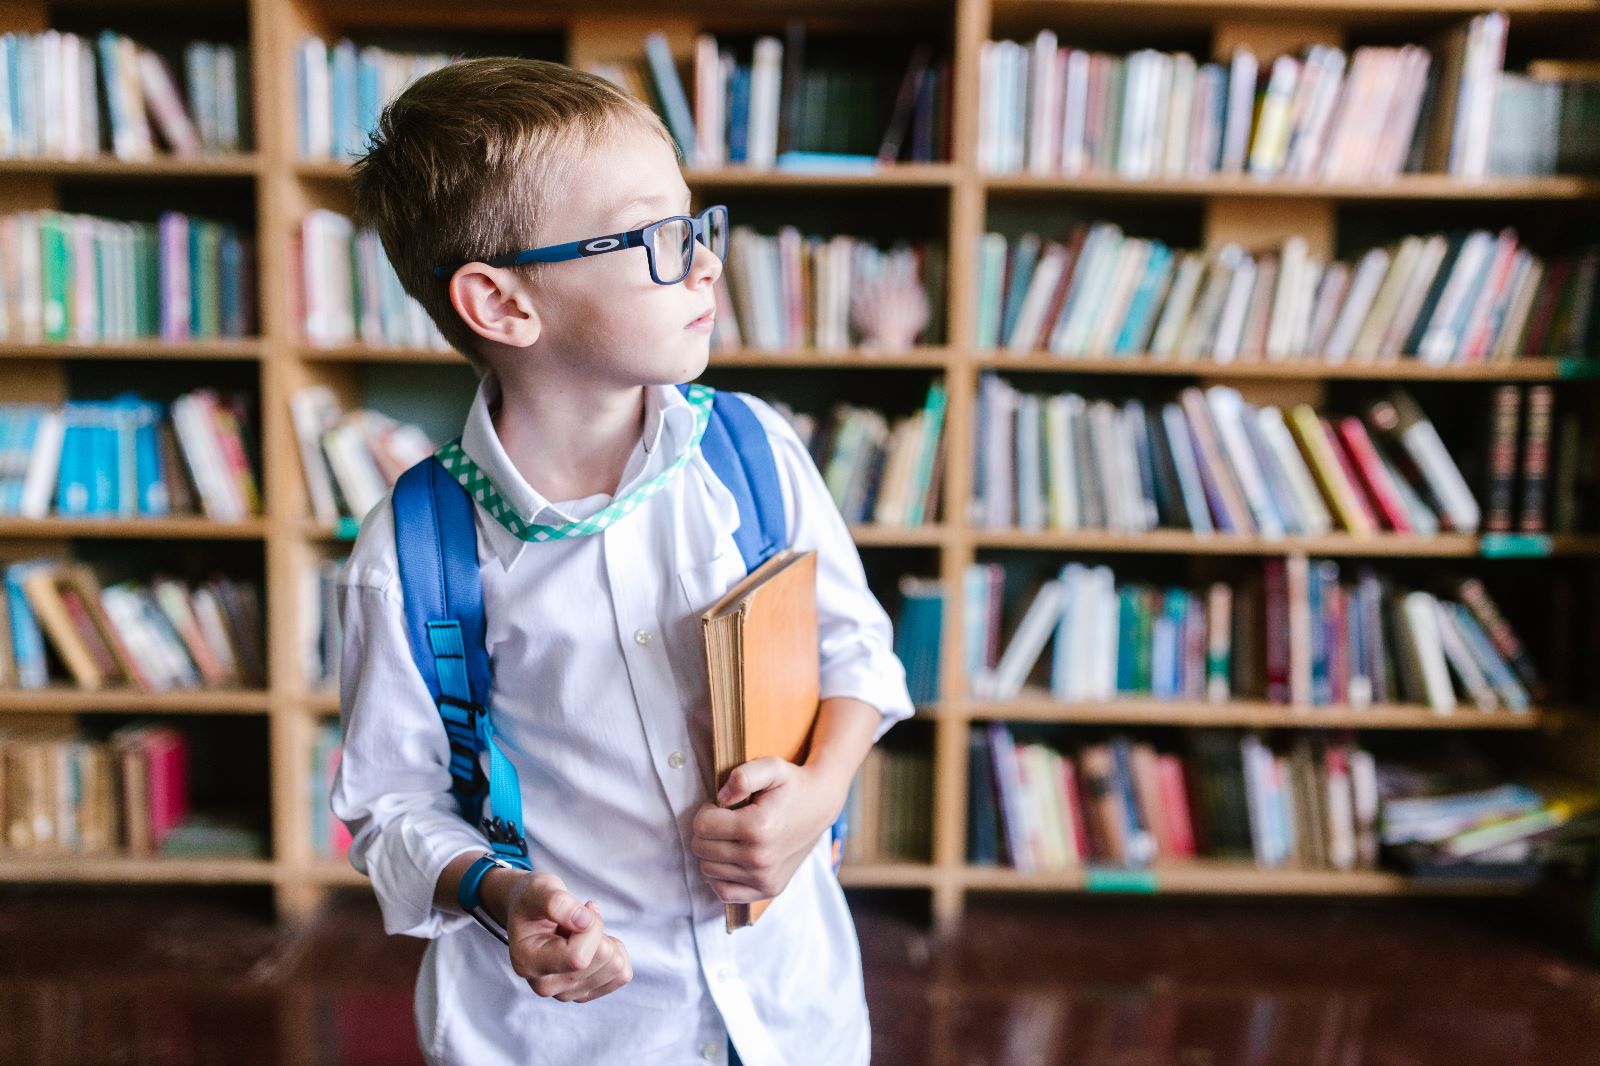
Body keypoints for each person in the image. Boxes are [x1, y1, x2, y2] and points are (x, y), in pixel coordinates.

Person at [330, 56, 915, 1066]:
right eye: (656, 237)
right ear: (502, 304)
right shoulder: (414, 550)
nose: (706, 264)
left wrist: (820, 794)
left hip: (788, 1007)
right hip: (572, 1036)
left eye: (696, 224)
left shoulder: (752, 451)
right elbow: (392, 808)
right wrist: (502, 894)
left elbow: (855, 648)